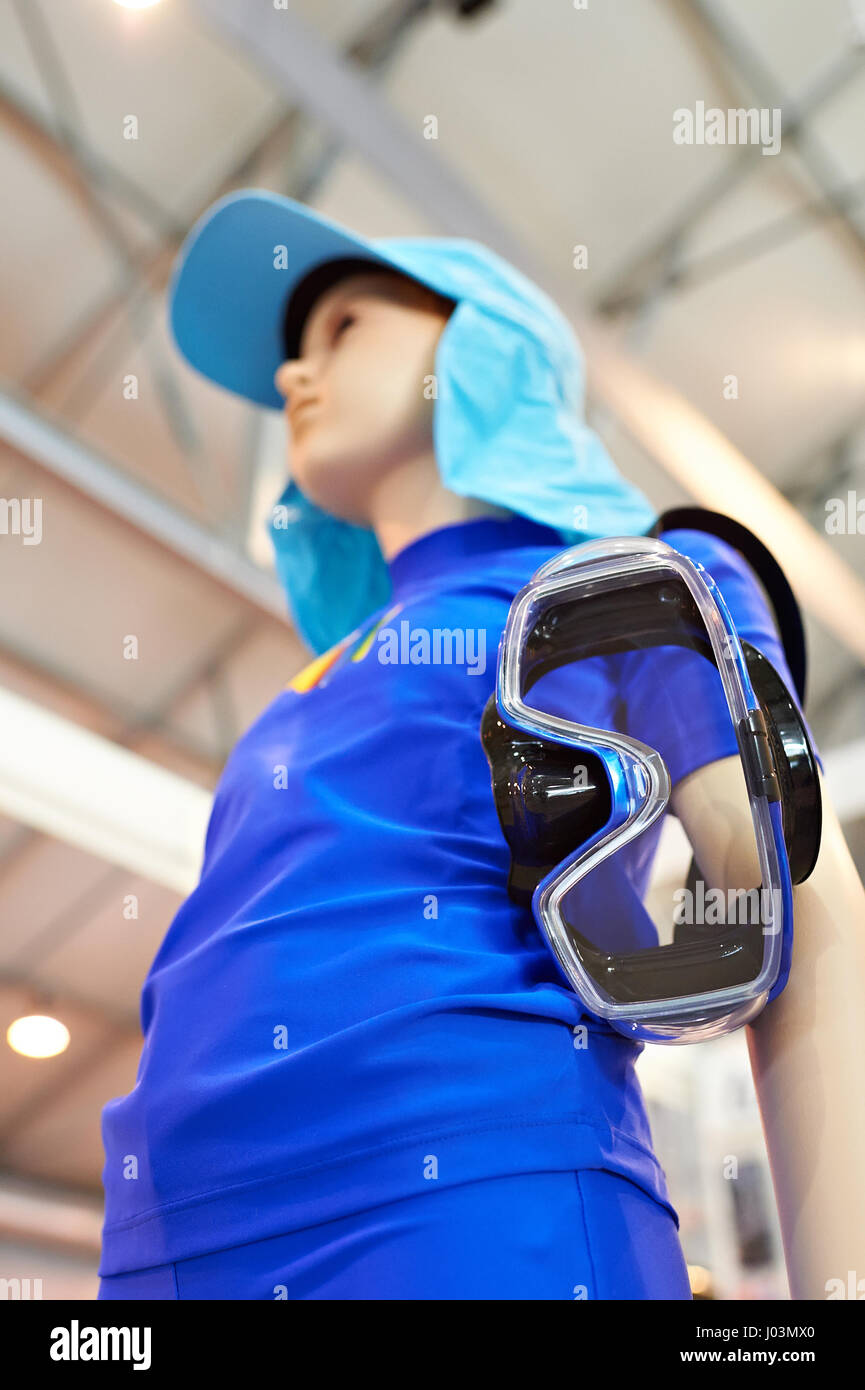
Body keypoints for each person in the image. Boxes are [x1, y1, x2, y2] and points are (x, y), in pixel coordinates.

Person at [97, 191, 862, 1301]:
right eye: (291, 358)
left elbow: (795, 895)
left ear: (484, 345)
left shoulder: (631, 580)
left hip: (465, 1180)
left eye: (346, 327)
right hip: (173, 1226)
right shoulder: (321, 674)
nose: (294, 379)